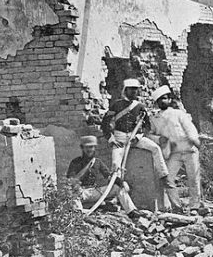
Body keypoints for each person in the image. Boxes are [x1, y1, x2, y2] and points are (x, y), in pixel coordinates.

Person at [101, 78, 182, 208]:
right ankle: (119, 199)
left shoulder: (140, 106)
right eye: (131, 90)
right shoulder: (116, 105)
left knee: (155, 148)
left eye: (135, 90)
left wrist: (138, 137)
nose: (133, 92)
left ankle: (163, 174)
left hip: (134, 138)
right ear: (125, 90)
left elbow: (146, 126)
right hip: (120, 138)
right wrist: (111, 139)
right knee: (116, 165)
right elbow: (105, 123)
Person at [149, 85, 203, 211]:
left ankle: (195, 205)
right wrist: (158, 139)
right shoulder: (155, 118)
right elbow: (150, 134)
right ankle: (176, 206)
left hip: (189, 150)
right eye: (160, 99)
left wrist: (197, 143)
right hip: (173, 153)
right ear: (157, 102)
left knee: (193, 179)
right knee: (167, 179)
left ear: (169, 100)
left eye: (165, 98)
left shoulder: (178, 113)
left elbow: (190, 129)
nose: (163, 101)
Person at [66, 135, 139, 217]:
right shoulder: (75, 162)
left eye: (91, 147)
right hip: (82, 192)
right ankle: (78, 214)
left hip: (95, 191)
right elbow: (70, 180)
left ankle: (131, 211)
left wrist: (121, 183)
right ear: (82, 148)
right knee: (72, 194)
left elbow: (109, 176)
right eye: (87, 147)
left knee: (118, 187)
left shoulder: (97, 162)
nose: (89, 150)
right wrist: (77, 184)